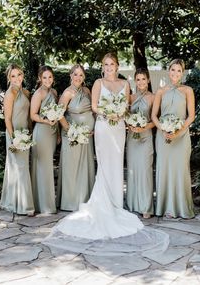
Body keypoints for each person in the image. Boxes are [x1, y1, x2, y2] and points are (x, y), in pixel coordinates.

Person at [42, 53, 169, 256]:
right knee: (104, 164)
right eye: (106, 64)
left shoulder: (125, 84)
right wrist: (106, 112)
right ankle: (103, 202)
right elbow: (94, 106)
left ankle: (116, 202)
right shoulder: (98, 83)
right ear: (103, 66)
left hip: (118, 128)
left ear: (117, 66)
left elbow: (127, 107)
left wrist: (120, 114)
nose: (109, 67)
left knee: (117, 164)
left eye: (112, 64)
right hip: (102, 127)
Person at [151, 59, 195, 219]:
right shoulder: (160, 91)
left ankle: (182, 207)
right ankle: (165, 207)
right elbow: (153, 116)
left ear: (182, 73)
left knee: (180, 170)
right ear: (168, 71)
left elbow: (191, 116)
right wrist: (163, 129)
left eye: (178, 71)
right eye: (173, 70)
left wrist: (178, 130)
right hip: (163, 137)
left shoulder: (187, 90)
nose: (175, 73)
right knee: (164, 169)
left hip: (181, 137)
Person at [56, 64, 95, 211]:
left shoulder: (86, 91)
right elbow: (59, 114)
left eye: (81, 75)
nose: (78, 77)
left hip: (87, 135)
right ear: (70, 76)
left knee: (85, 166)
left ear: (84, 77)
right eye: (75, 74)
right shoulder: (67, 93)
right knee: (72, 168)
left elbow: (93, 110)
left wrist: (95, 126)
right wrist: (72, 131)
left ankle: (85, 199)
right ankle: (71, 202)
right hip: (72, 136)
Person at [0, 64, 35, 216]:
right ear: (9, 78)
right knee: (19, 168)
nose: (17, 79)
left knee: (22, 167)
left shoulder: (25, 92)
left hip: (25, 134)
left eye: (19, 75)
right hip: (14, 135)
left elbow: (28, 115)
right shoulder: (10, 95)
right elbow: (7, 119)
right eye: (13, 76)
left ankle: (15, 200)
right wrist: (14, 138)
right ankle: (23, 206)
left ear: (23, 75)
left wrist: (29, 133)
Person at [126, 68, 155, 219]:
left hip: (145, 138)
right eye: (138, 79)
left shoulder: (153, 97)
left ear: (148, 80)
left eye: (144, 79)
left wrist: (144, 126)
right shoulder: (130, 97)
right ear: (135, 81)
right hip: (132, 138)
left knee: (145, 171)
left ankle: (146, 206)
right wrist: (130, 125)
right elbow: (125, 115)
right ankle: (132, 204)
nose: (141, 82)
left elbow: (156, 120)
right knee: (132, 170)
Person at [30, 65, 58, 214]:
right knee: (43, 167)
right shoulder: (38, 94)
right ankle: (44, 205)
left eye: (50, 77)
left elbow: (58, 113)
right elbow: (33, 115)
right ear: (40, 79)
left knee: (48, 166)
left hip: (52, 133)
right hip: (42, 132)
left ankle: (47, 202)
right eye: (44, 77)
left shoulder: (54, 92)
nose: (48, 80)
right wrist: (47, 121)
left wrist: (58, 133)